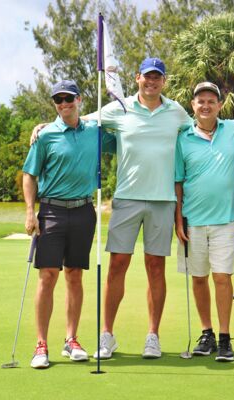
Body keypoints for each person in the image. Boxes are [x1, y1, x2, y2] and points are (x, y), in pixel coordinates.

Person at [87, 58, 191, 359]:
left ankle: (153, 336)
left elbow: (199, 130)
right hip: (127, 198)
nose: (152, 82)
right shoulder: (119, 108)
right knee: (118, 264)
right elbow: (83, 121)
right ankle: (107, 334)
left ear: (164, 81)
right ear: (137, 79)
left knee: (156, 268)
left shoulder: (176, 112)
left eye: (157, 77)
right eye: (147, 77)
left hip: (162, 200)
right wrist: (46, 125)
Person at [22, 79, 115, 369]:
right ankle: (41, 344)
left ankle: (71, 339)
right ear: (54, 104)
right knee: (48, 276)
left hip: (83, 211)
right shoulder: (45, 135)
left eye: (69, 98)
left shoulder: (95, 133)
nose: (64, 104)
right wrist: (29, 211)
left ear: (79, 99)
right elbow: (30, 175)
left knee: (74, 275)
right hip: (51, 211)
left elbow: (128, 137)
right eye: (58, 100)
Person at [175, 82, 234, 362]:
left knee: (222, 277)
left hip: (225, 219)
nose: (205, 105)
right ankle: (207, 333)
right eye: (200, 101)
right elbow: (178, 181)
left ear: (219, 105)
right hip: (192, 219)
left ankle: (225, 337)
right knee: (199, 278)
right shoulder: (182, 137)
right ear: (193, 106)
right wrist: (178, 219)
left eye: (211, 101)